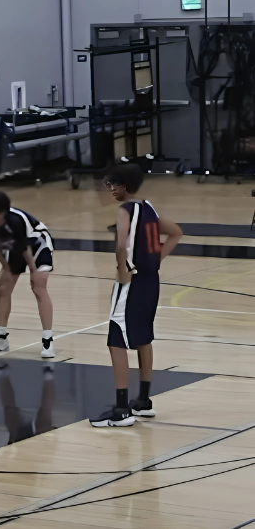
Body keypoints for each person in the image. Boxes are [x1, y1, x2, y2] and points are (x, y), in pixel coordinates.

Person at [90, 164, 182, 428]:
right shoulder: (149, 208)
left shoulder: (126, 209)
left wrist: (122, 271)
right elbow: (176, 232)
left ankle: (120, 410)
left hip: (132, 282)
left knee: (116, 340)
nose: (109, 189)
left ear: (125, 185)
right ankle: (143, 401)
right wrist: (156, 259)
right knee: (143, 337)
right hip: (151, 280)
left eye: (112, 184)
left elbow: (121, 244)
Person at [0, 191, 56, 359]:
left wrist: (33, 270)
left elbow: (25, 248)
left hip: (37, 242)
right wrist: (6, 267)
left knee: (38, 286)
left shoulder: (14, 221)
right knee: (4, 285)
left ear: (0, 212)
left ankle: (48, 339)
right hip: (15, 247)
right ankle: (0, 337)